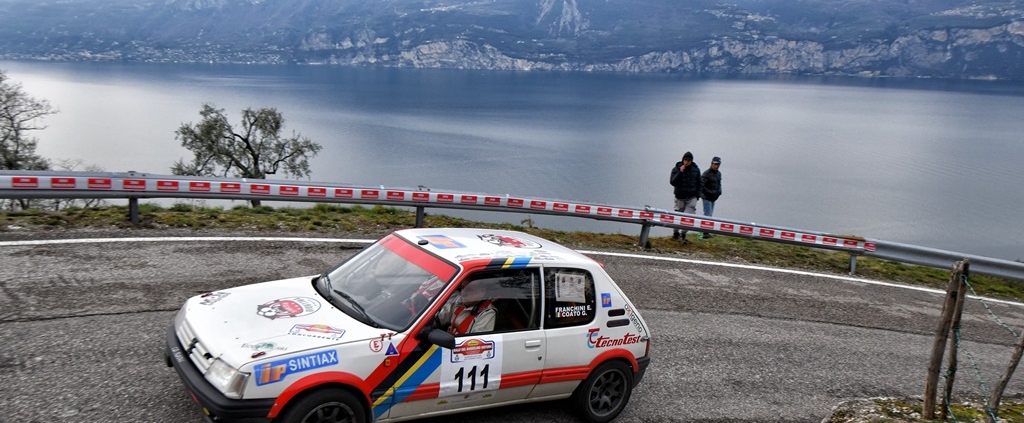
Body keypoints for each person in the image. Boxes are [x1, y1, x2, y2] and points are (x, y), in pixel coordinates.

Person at [669, 151, 702, 243]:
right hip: (679, 197)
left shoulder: (696, 170)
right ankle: (676, 233)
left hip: (691, 198)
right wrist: (680, 172)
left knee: (689, 216)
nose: (686, 162)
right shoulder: (676, 169)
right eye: (685, 160)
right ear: (682, 160)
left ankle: (683, 234)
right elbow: (672, 182)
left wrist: (698, 195)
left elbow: (699, 183)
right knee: (678, 215)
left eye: (688, 160)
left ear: (691, 161)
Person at [700, 156, 723, 239]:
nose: (716, 166)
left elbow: (719, 184)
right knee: (707, 215)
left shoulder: (718, 174)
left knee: (710, 214)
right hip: (706, 197)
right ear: (712, 164)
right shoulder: (706, 173)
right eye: (715, 164)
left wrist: (719, 192)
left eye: (718, 164)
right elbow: (702, 186)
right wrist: (710, 192)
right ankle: (705, 232)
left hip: (714, 198)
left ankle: (707, 231)